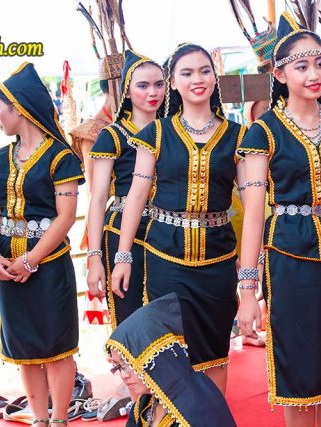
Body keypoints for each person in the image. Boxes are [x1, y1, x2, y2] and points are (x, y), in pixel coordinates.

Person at [235, 12, 321, 426]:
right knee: (297, 365)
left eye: (320, 64)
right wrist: (246, 289)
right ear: (279, 72)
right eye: (301, 65)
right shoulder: (262, 132)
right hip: (287, 257)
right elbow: (254, 217)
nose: (314, 74)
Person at [112, 43, 244, 393]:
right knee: (169, 350)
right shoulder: (154, 135)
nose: (197, 79)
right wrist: (123, 254)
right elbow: (136, 197)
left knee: (215, 351)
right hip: (165, 256)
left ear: (215, 77)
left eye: (204, 71)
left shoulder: (239, 136)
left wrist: (250, 268)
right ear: (173, 82)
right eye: (186, 73)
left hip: (218, 259)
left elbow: (251, 201)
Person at [0, 62, 84, 427]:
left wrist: (30, 260)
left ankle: (59, 420)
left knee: (57, 348)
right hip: (7, 268)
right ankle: (39, 419)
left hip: (48, 265)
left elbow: (66, 216)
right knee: (24, 349)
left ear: (19, 109)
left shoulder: (61, 157)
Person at [86, 49, 164, 328]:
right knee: (130, 321)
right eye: (142, 85)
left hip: (167, 233)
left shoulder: (173, 131)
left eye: (159, 84)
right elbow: (97, 200)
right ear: (127, 92)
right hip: (121, 234)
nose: (152, 92)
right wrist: (94, 258)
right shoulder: (112, 136)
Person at [105, 293, 236, 427]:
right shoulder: (144, 405)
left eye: (127, 363)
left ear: (154, 356)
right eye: (118, 367)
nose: (124, 375)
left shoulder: (201, 409)